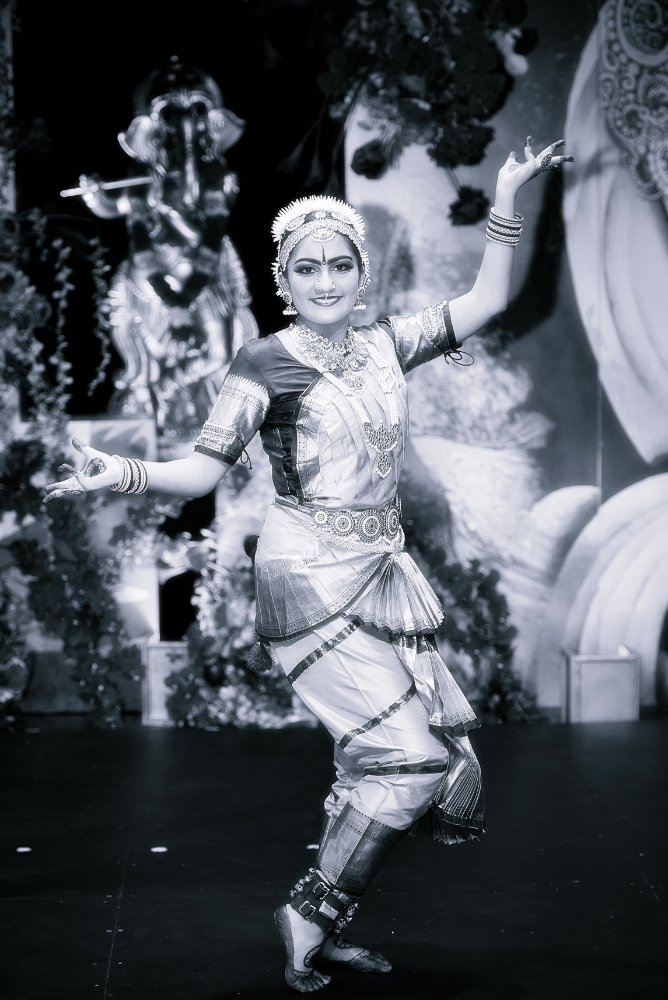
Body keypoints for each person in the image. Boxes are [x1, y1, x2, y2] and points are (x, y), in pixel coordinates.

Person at [44, 137, 572, 993]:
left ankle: (318, 921)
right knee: (412, 761)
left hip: (382, 573)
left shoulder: (386, 344)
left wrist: (508, 190)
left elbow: (488, 298)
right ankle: (310, 912)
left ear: (360, 275)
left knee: (388, 764)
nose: (326, 280)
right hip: (306, 582)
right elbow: (203, 471)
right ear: (284, 280)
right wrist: (124, 473)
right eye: (307, 267)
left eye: (340, 265)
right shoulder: (265, 362)